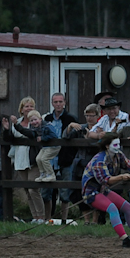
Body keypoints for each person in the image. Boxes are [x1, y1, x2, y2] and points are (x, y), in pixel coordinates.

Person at [81, 133, 130, 248]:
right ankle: (125, 239)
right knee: (112, 208)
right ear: (107, 145)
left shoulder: (118, 155)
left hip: (103, 190)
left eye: (119, 144)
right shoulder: (99, 160)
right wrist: (121, 177)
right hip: (91, 192)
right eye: (115, 144)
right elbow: (106, 180)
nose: (118, 147)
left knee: (127, 207)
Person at [2, 97, 44, 222]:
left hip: (33, 158)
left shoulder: (36, 121)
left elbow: (31, 135)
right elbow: (9, 139)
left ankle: (41, 216)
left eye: (31, 106)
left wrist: (16, 125)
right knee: (26, 189)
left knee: (33, 188)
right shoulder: (17, 121)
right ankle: (35, 217)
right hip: (20, 158)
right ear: (21, 109)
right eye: (26, 106)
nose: (29, 108)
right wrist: (6, 129)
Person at [42, 93, 79, 221]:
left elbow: (74, 137)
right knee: (47, 191)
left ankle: (64, 219)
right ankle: (47, 219)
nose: (58, 104)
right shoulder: (46, 118)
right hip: (50, 158)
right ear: (52, 103)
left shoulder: (71, 119)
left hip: (65, 158)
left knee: (65, 190)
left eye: (60, 101)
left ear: (64, 103)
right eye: (55, 102)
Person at [63, 103, 102, 225]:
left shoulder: (101, 129)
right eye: (87, 115)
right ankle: (86, 219)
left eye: (92, 115)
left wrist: (90, 139)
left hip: (95, 164)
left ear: (97, 115)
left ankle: (95, 220)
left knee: (96, 191)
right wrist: (70, 127)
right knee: (77, 193)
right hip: (79, 165)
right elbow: (66, 137)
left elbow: (100, 144)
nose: (89, 118)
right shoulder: (81, 128)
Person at [9, 110, 60, 183]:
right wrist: (17, 124)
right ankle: (43, 174)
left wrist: (42, 138)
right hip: (45, 147)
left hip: (54, 147)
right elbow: (27, 132)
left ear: (40, 119)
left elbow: (54, 136)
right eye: (31, 121)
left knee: (44, 159)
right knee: (38, 158)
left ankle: (51, 174)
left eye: (35, 119)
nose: (34, 122)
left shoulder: (47, 126)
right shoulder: (35, 129)